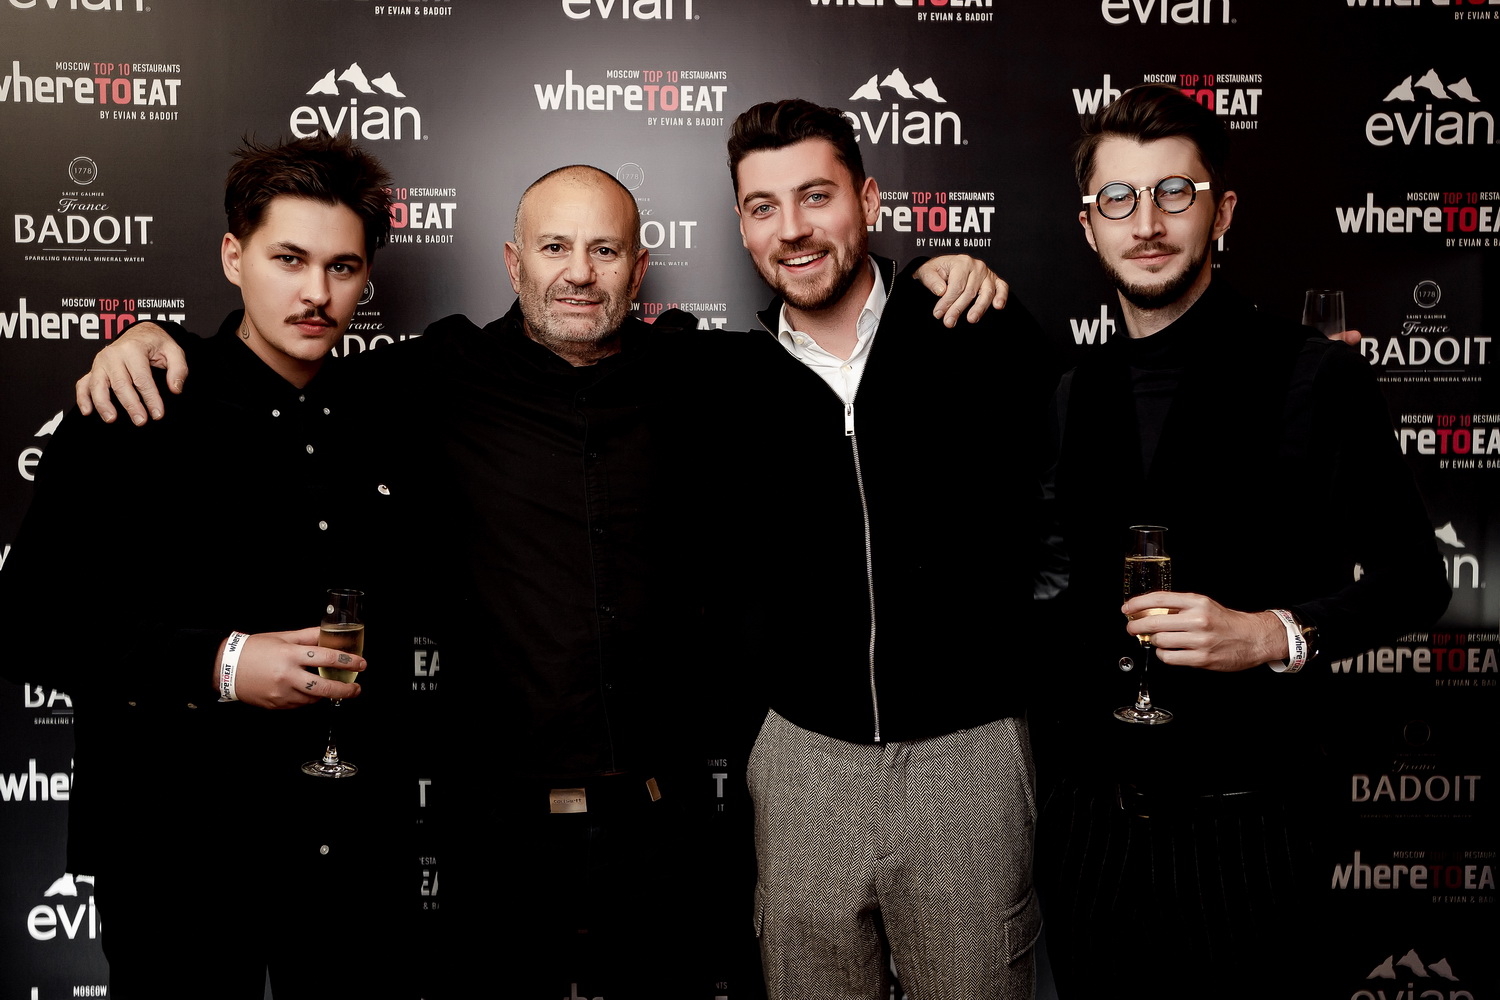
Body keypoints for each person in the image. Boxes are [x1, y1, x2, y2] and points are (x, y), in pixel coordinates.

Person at [71, 161, 1006, 996]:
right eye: (555, 247)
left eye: (605, 250)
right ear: (514, 264)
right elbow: (276, 365)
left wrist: (929, 274)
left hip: (665, 837)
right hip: (498, 846)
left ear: (640, 269)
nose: (579, 272)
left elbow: (832, 329)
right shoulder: (436, 375)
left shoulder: (702, 369)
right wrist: (155, 339)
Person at [1032, 83, 1451, 998]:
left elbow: (1418, 578)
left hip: (1252, 837)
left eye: (1174, 194)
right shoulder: (1074, 392)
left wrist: (1270, 634)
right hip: (1093, 835)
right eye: (1119, 199)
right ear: (1089, 227)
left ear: (1221, 213)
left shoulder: (1315, 374)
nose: (1148, 223)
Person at [0, 134, 416, 999]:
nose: (316, 293)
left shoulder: (389, 415)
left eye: (342, 267)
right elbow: (26, 625)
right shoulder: (137, 402)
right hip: (175, 854)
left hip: (347, 855)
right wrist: (223, 663)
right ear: (234, 256)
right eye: (288, 259)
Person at [718, 99, 1055, 1000]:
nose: (792, 229)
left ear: (867, 200)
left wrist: (1013, 659)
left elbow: (1068, 513)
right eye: (763, 206)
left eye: (816, 196)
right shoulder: (727, 381)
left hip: (966, 756)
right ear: (742, 226)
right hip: (804, 758)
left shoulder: (977, 325)